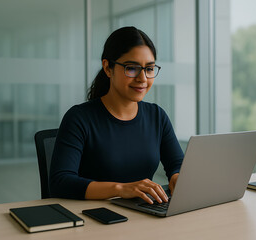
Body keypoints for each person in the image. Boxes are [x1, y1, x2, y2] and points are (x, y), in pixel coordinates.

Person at [49, 26, 184, 205]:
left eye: (149, 69)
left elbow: (177, 164)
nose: (143, 78)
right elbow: (60, 182)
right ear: (108, 68)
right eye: (132, 68)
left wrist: (177, 177)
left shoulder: (157, 116)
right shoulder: (79, 118)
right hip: (94, 220)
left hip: (143, 216)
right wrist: (121, 189)